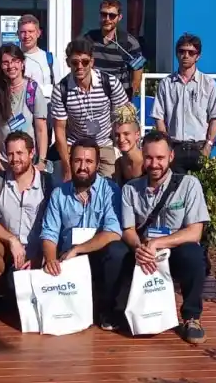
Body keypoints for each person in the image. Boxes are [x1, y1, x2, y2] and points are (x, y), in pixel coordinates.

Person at [120, 130, 211, 344]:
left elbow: (195, 231)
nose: (154, 164)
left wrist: (157, 243)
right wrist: (139, 248)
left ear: (171, 156)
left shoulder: (189, 185)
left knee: (194, 253)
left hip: (174, 251)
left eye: (160, 158)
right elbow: (127, 229)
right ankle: (117, 310)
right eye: (149, 157)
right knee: (117, 252)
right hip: (143, 252)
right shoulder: (130, 189)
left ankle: (191, 318)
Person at [40, 138, 128, 331]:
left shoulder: (110, 190)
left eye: (89, 161)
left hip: (98, 256)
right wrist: (51, 259)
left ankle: (108, 310)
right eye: (78, 160)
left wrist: (78, 249)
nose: (83, 167)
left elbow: (113, 232)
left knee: (118, 251)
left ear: (97, 164)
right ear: (70, 161)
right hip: (69, 261)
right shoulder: (58, 194)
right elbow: (49, 233)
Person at [0, 131, 56, 309]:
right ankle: (4, 284)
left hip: (39, 251)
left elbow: (56, 225)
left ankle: (16, 289)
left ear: (31, 153)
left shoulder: (49, 184)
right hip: (9, 250)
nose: (15, 159)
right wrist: (11, 240)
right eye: (10, 154)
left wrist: (40, 256)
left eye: (20, 153)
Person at [51, 37, 130, 181]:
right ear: (68, 63)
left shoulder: (110, 83)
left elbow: (125, 119)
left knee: (109, 185)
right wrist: (67, 167)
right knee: (71, 186)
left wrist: (123, 148)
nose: (80, 66)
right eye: (75, 62)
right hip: (74, 144)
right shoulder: (61, 90)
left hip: (104, 143)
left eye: (85, 62)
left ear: (92, 62)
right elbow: (59, 130)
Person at [152, 33, 216, 174]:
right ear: (176, 54)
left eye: (191, 52)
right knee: (176, 187)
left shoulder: (209, 84)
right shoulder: (166, 84)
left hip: (199, 147)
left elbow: (215, 117)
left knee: (201, 187)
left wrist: (208, 147)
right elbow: (158, 117)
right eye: (182, 51)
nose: (186, 56)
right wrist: (166, 146)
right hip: (175, 147)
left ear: (198, 56)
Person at [0, 44, 48, 176]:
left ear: (22, 64)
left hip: (27, 159)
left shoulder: (32, 89)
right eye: (5, 62)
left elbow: (41, 128)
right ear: (0, 66)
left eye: (15, 61)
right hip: (1, 159)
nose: (10, 66)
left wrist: (41, 160)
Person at [85, 0, 146, 98]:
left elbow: (138, 73)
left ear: (119, 17)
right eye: (104, 14)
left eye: (112, 15)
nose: (107, 19)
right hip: (94, 98)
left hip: (119, 99)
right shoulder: (88, 39)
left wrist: (128, 97)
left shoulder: (129, 43)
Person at [112, 104, 144, 184]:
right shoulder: (119, 163)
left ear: (137, 134)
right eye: (117, 135)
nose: (121, 139)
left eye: (126, 134)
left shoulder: (146, 161)